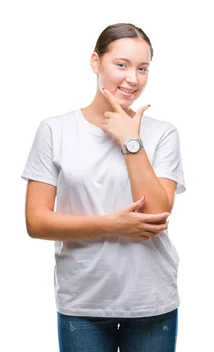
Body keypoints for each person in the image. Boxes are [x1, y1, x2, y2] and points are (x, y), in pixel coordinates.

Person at [22, 23, 185, 352]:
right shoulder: (56, 130)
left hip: (150, 300)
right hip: (83, 302)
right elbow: (36, 222)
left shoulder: (163, 134)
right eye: (121, 65)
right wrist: (112, 225)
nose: (133, 79)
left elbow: (156, 214)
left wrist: (131, 143)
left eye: (142, 69)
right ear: (96, 62)